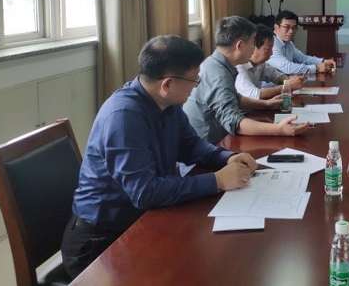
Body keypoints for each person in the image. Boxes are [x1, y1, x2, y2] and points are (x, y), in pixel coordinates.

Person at [61, 35, 257, 279]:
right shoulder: (123, 117)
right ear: (167, 84)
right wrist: (217, 180)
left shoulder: (167, 103)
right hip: (102, 243)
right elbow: (145, 192)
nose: (196, 86)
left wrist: (226, 158)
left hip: (142, 221)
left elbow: (191, 145)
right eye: (194, 80)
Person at [183, 16, 310, 144]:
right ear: (239, 45)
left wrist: (266, 104)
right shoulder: (218, 74)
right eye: (253, 43)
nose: (254, 48)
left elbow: (235, 98)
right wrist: (279, 129)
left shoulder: (218, 64)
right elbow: (233, 121)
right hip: (207, 143)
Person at [236, 24, 307, 99]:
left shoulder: (261, 64)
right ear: (253, 47)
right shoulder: (239, 67)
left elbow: (277, 76)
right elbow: (255, 94)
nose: (271, 53)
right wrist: (287, 86)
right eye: (268, 49)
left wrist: (292, 81)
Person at [268, 10, 336, 74]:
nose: (291, 31)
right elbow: (288, 68)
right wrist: (316, 68)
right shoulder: (271, 43)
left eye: (294, 27)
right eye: (287, 27)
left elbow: (303, 58)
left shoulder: (288, 43)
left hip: (285, 80)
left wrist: (322, 61)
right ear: (276, 27)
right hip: (272, 82)